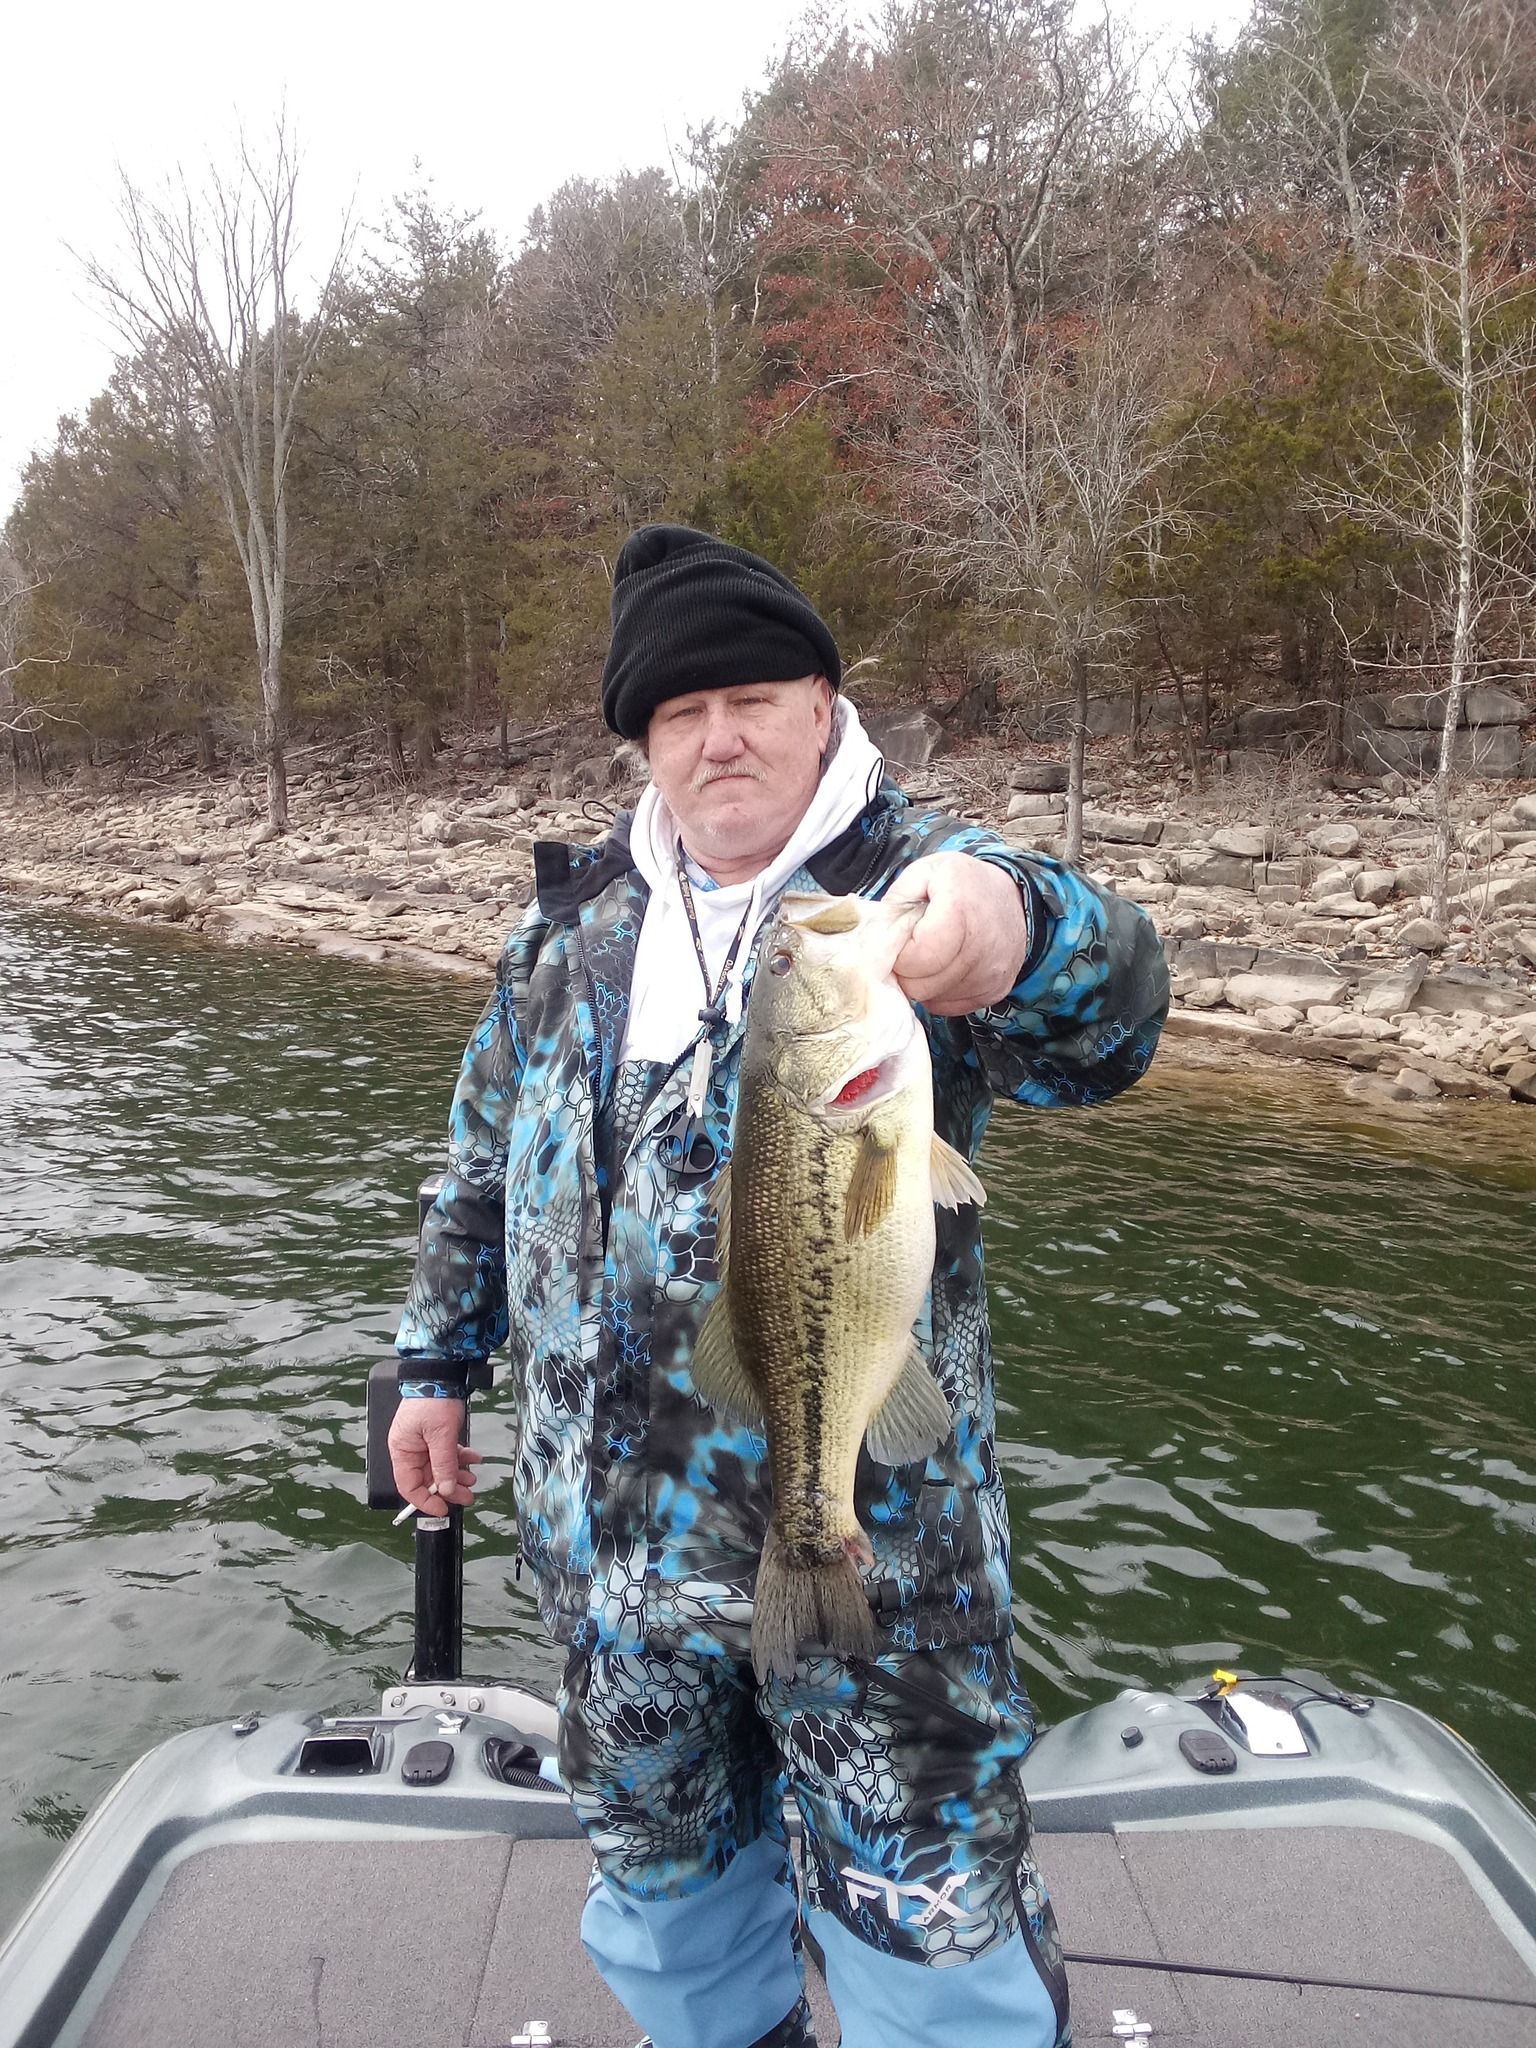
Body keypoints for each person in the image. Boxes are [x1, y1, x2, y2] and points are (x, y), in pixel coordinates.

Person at [390, 525, 1169, 2048]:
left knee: (933, 1945)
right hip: (611, 1571)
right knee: (673, 1925)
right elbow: (480, 1161)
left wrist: (1017, 938)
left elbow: (1118, 1024)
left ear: (825, 702)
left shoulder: (911, 906)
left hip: (880, 1566)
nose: (717, 737)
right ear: (644, 742)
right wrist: (435, 1361)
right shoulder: (565, 935)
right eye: (678, 715)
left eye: (750, 696)